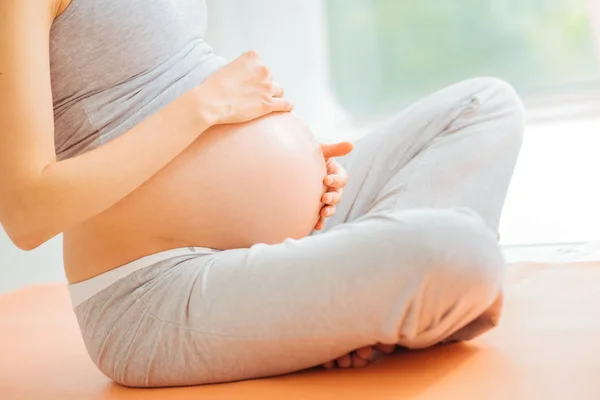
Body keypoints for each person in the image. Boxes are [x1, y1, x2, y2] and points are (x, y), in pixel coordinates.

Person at [0, 0, 524, 388]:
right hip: (156, 287)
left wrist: (300, 165)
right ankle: (363, 299)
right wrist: (205, 109)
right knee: (458, 252)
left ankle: (350, 306)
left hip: (284, 233)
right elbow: (27, 213)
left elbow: (169, 72)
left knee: (483, 105)